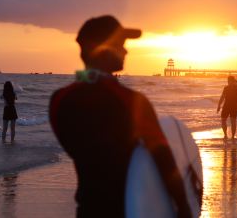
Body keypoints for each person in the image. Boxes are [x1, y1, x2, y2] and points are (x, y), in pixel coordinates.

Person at [49, 15, 192, 217]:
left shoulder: (59, 101)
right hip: (129, 209)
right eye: (120, 44)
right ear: (101, 49)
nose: (126, 50)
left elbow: (79, 152)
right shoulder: (132, 101)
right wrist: (184, 208)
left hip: (87, 210)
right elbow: (164, 162)